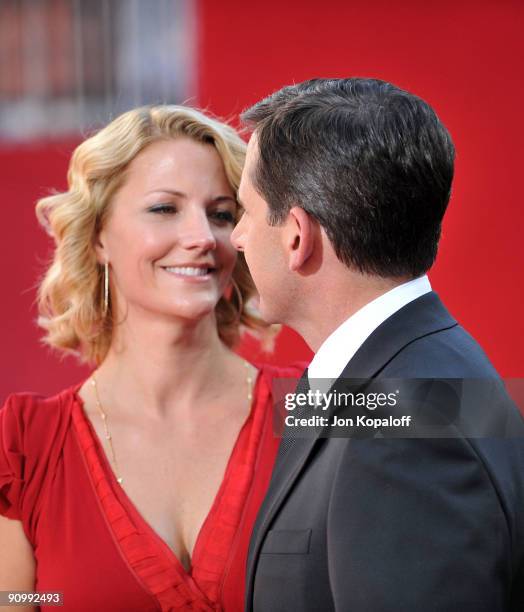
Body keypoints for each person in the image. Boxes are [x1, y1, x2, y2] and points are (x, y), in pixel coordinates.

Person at [231, 78, 524, 611]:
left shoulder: (404, 433)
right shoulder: (419, 372)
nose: (236, 237)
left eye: (245, 212)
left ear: (296, 236)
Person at [0, 105, 300, 611]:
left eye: (222, 214)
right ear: (98, 236)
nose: (202, 237)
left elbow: (469, 410)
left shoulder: (315, 405)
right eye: (165, 209)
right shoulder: (27, 443)